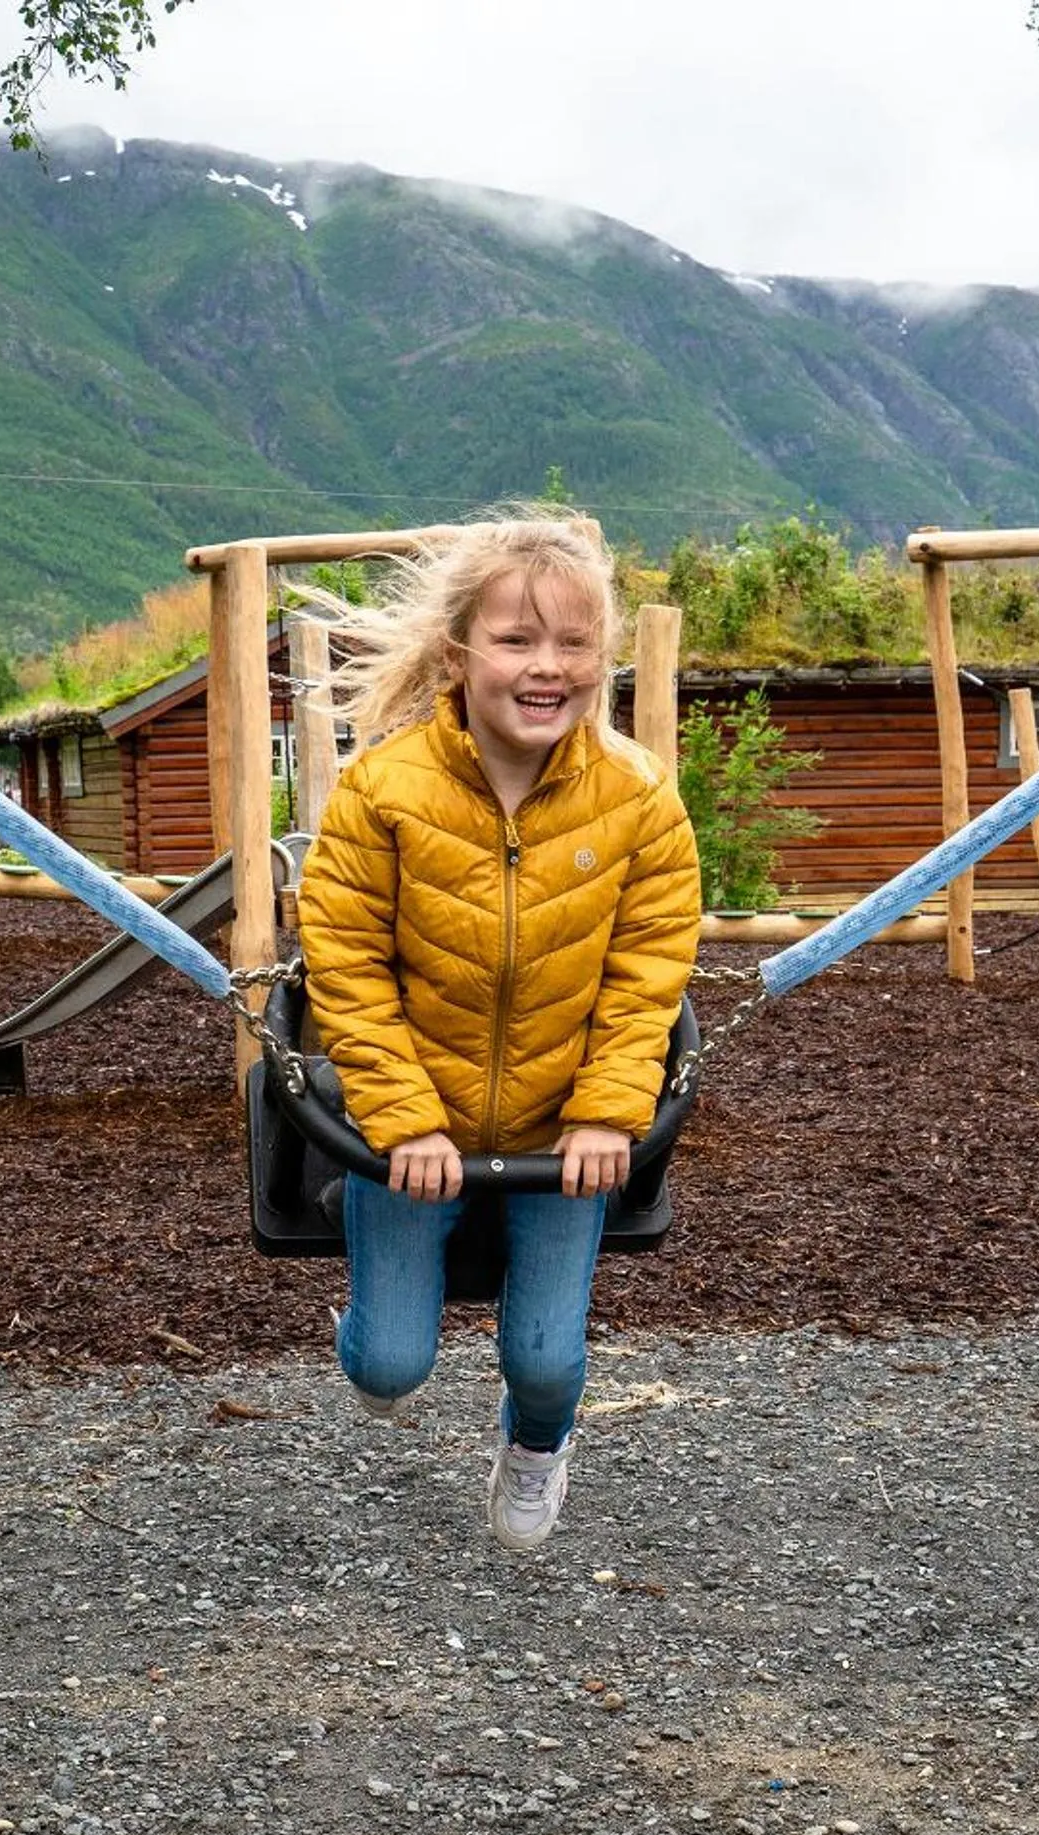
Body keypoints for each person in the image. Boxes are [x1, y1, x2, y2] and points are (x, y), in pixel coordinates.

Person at [293, 514, 701, 1552]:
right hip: (407, 1127)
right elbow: (344, 965)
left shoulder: (640, 799)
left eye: (571, 643)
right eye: (518, 640)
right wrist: (401, 1119)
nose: (546, 667)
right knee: (388, 1368)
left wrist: (612, 1109)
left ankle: (535, 1449)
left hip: (560, 1131)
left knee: (548, 1362)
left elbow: (649, 969)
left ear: (598, 658)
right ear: (458, 651)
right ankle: (372, 1314)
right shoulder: (383, 793)